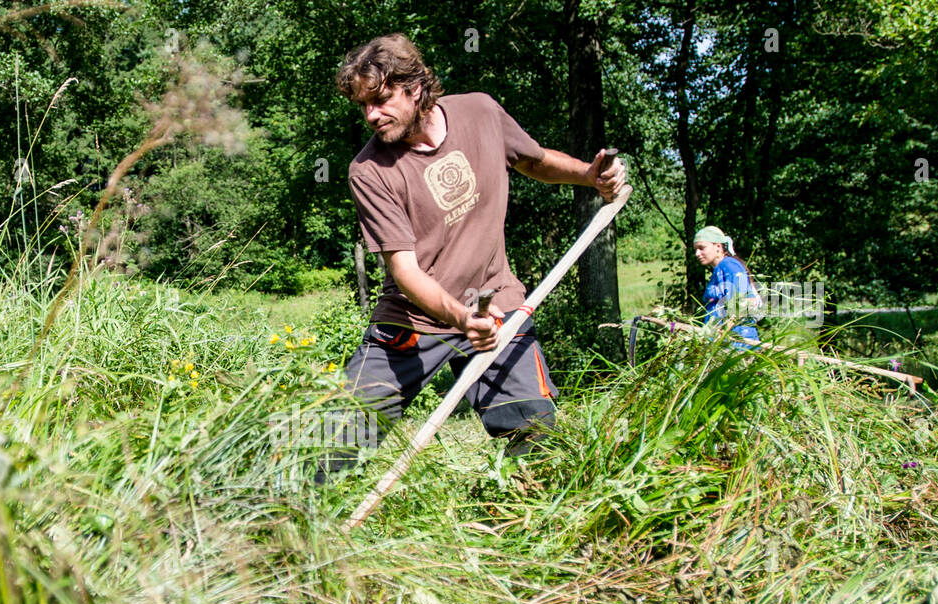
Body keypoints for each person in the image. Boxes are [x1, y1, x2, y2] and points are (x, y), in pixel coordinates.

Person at [314, 34, 625, 481]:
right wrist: (462, 319)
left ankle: (525, 528)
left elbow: (533, 161)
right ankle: (281, 526)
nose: (371, 116)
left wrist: (588, 175)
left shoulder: (479, 111)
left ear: (415, 87)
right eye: (363, 105)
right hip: (412, 325)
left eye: (380, 100)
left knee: (535, 438)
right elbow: (404, 270)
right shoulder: (369, 171)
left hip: (496, 307)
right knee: (328, 443)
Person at [693, 225, 761, 348]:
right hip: (725, 340)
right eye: (696, 249)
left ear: (718, 246)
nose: (697, 253)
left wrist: (722, 334)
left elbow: (741, 304)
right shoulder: (721, 269)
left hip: (735, 343)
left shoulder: (730, 266)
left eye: (701, 248)